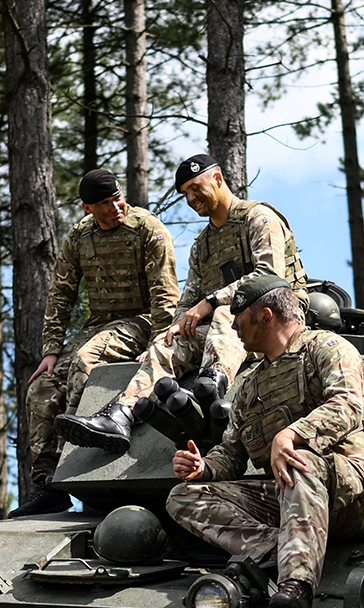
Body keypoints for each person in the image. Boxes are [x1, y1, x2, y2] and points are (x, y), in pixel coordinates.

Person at [55, 154, 308, 455]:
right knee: (169, 343)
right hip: (227, 334)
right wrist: (172, 329)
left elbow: (269, 277)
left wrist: (211, 301)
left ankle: (210, 388)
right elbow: (188, 300)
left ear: (217, 179)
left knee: (226, 312)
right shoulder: (202, 244)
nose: (190, 198)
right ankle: (121, 415)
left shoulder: (258, 218)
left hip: (276, 321)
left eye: (195, 188)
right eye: (185, 193)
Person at [165, 274, 364, 608]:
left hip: (349, 495)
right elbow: (232, 452)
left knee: (300, 461)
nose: (233, 328)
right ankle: (276, 547)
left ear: (265, 316)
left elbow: (349, 403)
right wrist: (203, 467)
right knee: (182, 497)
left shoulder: (327, 349)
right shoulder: (250, 386)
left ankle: (296, 585)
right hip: (288, 500)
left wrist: (291, 435)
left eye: (239, 319)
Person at [15, 168, 179, 517]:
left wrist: (159, 344)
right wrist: (51, 350)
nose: (116, 208)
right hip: (99, 324)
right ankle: (48, 486)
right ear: (88, 208)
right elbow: (61, 294)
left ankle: (72, 467)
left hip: (142, 321)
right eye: (105, 203)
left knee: (87, 359)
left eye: (118, 199)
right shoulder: (79, 237)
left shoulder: (148, 229)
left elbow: (165, 294)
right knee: (42, 387)